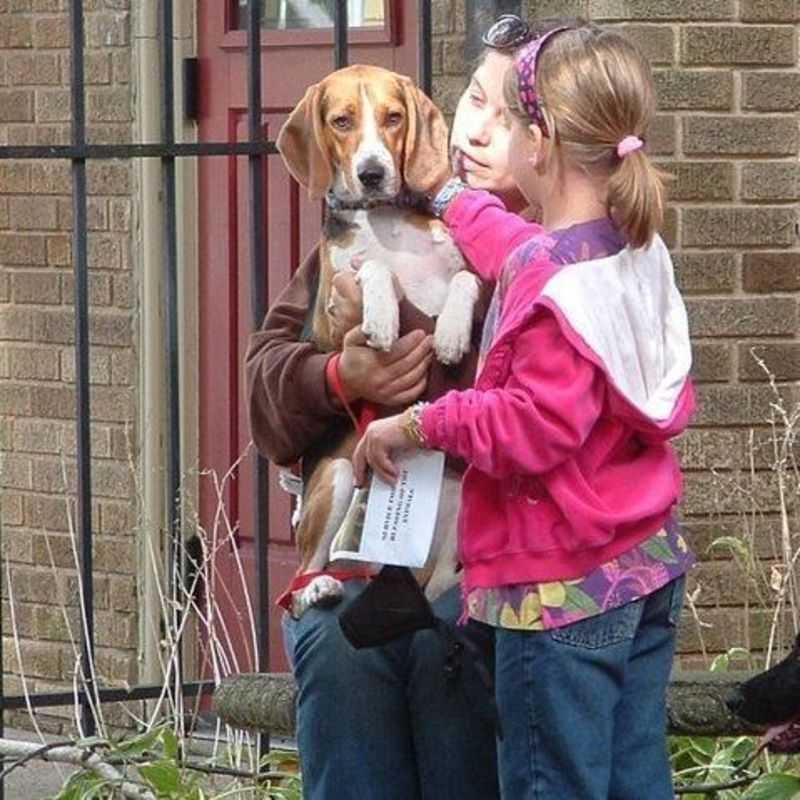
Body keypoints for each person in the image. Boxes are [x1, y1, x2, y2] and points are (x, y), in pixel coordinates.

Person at [353, 22, 697, 800]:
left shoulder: (553, 280)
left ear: (538, 144)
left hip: (560, 591)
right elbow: (518, 247)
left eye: (507, 118)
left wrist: (414, 423)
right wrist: (445, 194)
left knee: (555, 786)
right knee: (634, 778)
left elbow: (528, 427)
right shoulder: (626, 245)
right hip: (644, 567)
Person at [244, 14, 544, 800]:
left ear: (549, 140)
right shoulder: (370, 232)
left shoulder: (553, 251)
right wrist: (342, 378)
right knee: (341, 645)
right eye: (471, 103)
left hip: (478, 552)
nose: (470, 131)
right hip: (367, 544)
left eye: (501, 116)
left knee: (449, 646)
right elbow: (266, 382)